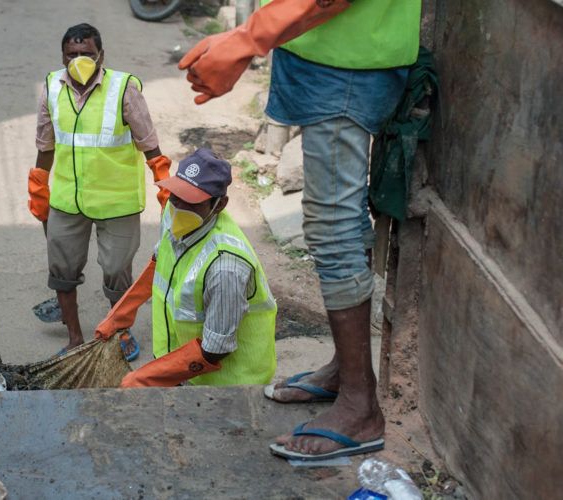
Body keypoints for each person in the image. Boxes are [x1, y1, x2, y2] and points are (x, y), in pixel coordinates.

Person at [177, 0, 420, 460]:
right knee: (332, 220)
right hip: (322, 47)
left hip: (346, 61)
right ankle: (346, 374)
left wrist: (248, 38)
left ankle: (360, 405)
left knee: (334, 226)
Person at [27, 23, 173, 360]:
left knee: (116, 272)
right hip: (67, 199)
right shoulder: (51, 87)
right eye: (72, 55)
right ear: (62, 56)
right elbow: (46, 142)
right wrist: (39, 182)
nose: (79, 60)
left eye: (87, 54)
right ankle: (76, 338)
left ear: (101, 55)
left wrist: (165, 186)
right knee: (62, 270)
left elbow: (150, 145)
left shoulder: (124, 89)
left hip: (116, 201)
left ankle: (119, 332)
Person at [95, 148, 277, 387]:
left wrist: (148, 377)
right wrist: (119, 315)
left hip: (227, 387)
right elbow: (159, 267)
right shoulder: (174, 218)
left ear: (219, 205)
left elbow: (215, 349)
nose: (179, 206)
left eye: (191, 201)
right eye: (176, 194)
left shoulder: (226, 267)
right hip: (180, 370)